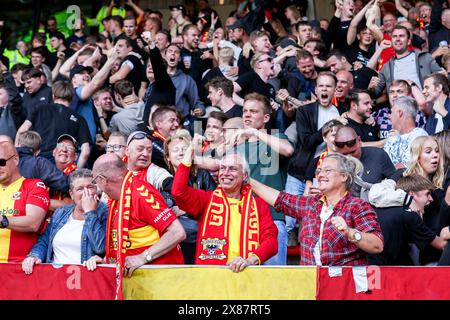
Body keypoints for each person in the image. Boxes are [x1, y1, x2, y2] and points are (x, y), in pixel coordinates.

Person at [250, 153, 384, 265]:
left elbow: (377, 245)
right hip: (310, 284)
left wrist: (350, 232)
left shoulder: (357, 206)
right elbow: (280, 199)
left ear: (344, 176)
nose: (320, 175)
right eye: (319, 171)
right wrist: (248, 180)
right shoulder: (310, 204)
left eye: (327, 170)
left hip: (343, 286)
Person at [92, 153, 186, 296]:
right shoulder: (117, 199)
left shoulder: (141, 194)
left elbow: (177, 232)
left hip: (161, 284)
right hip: (139, 285)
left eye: (95, 181)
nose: (97, 187)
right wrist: (106, 260)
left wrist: (143, 257)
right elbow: (126, 240)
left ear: (103, 180)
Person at [172, 149, 278, 271]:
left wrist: (250, 260)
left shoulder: (258, 205)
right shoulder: (206, 199)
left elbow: (271, 241)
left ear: (244, 176)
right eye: (222, 168)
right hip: (213, 277)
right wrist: (188, 156)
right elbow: (178, 192)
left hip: (247, 275)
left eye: (232, 169)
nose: (226, 173)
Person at [22, 169, 108, 274]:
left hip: (86, 279)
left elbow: (100, 248)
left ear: (96, 189)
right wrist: (34, 256)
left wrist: (90, 212)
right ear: (71, 194)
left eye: (90, 187)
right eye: (80, 189)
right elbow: (44, 241)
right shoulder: (61, 212)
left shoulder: (106, 211)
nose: (86, 192)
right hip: (55, 278)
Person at [368, 174, 449, 266]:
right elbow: (441, 244)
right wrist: (446, 231)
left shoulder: (375, 207)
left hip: (368, 271)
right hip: (394, 272)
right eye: (427, 194)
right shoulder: (409, 215)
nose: (431, 199)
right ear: (411, 194)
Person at [164, 130, 216, 264]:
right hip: (177, 240)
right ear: (168, 157)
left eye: (184, 149)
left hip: (203, 234)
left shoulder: (202, 174)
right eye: (175, 150)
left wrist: (186, 209)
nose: (181, 153)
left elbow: (216, 201)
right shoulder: (163, 179)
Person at [0, 140, 50, 263]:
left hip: (20, 268)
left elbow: (33, 223)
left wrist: (3, 220)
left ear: (16, 160)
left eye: (1, 162)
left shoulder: (34, 185)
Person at [383, 96, 428, 169]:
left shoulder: (420, 136)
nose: (389, 116)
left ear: (399, 113)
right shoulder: (392, 138)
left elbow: (410, 168)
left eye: (391, 112)